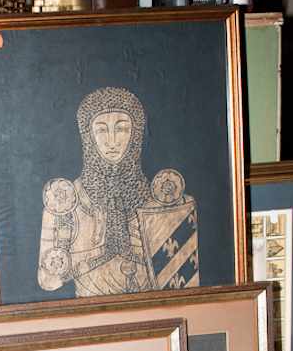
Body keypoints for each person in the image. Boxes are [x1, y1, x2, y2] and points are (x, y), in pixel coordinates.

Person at [37, 86, 199, 297]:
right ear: (88, 134)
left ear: (135, 134)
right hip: (92, 320)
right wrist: (101, 251)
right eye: (102, 130)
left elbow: (187, 288)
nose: (112, 141)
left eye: (121, 129)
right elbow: (48, 281)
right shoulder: (63, 203)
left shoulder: (166, 204)